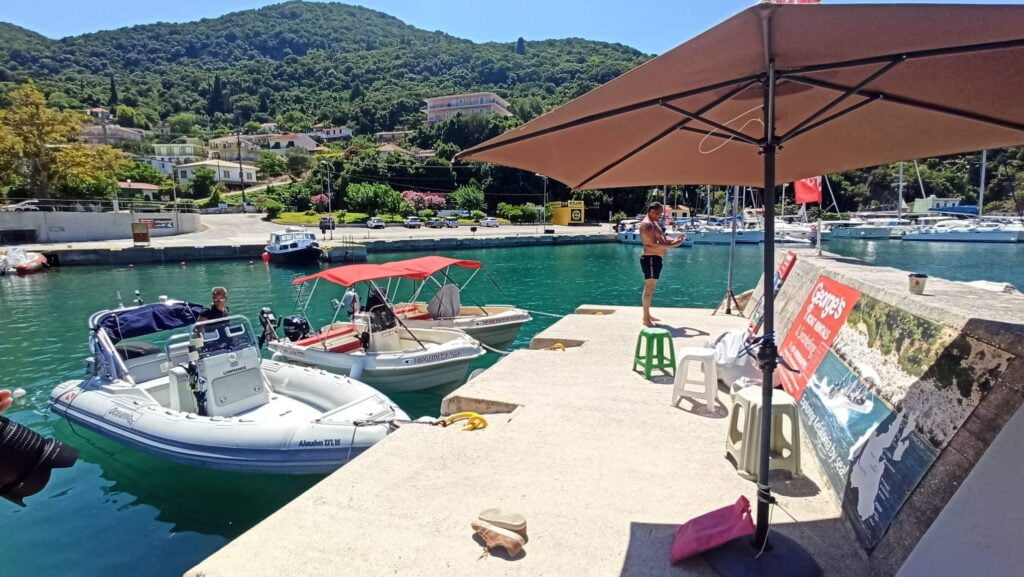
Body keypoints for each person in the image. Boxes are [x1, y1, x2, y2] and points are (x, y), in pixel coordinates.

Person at [639, 202, 684, 327]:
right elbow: (654, 244)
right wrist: (674, 245)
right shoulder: (647, 225)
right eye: (658, 213)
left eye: (660, 213)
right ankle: (645, 318)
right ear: (651, 211)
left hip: (656, 259)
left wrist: (676, 240)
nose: (660, 215)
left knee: (651, 289)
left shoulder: (654, 223)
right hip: (650, 259)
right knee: (649, 289)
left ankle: (648, 315)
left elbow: (662, 239)